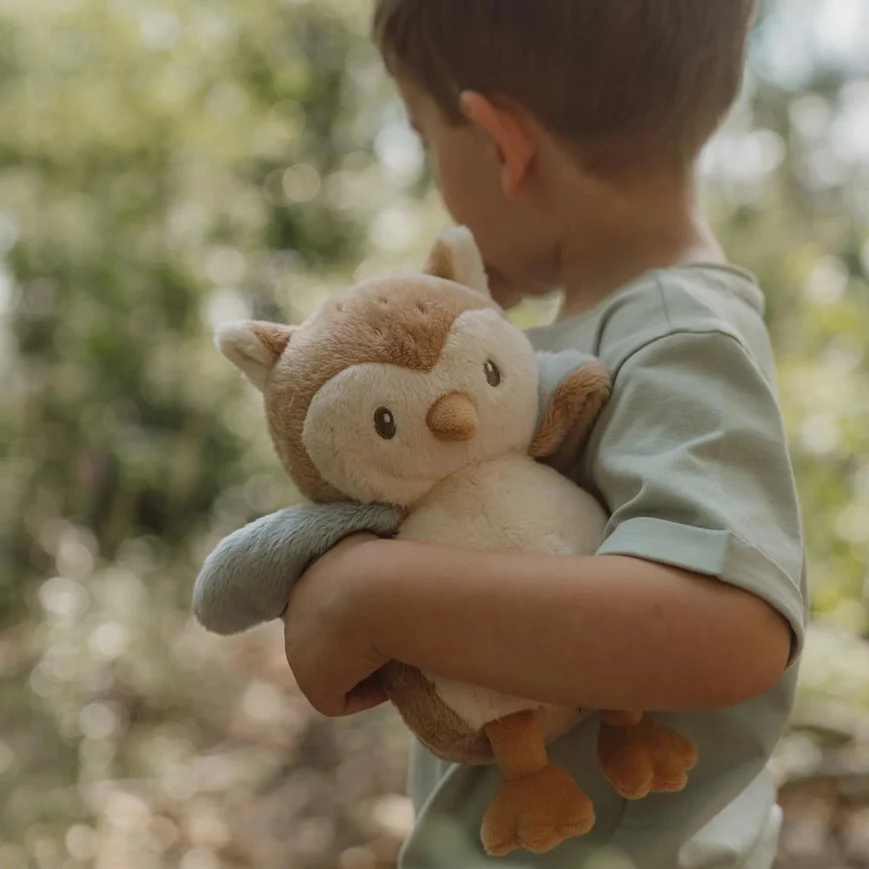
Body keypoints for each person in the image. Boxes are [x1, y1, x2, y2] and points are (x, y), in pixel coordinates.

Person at [282, 2, 806, 866]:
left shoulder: (675, 336)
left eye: (424, 136)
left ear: (501, 144)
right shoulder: (594, 334)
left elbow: (728, 627)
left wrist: (374, 593)